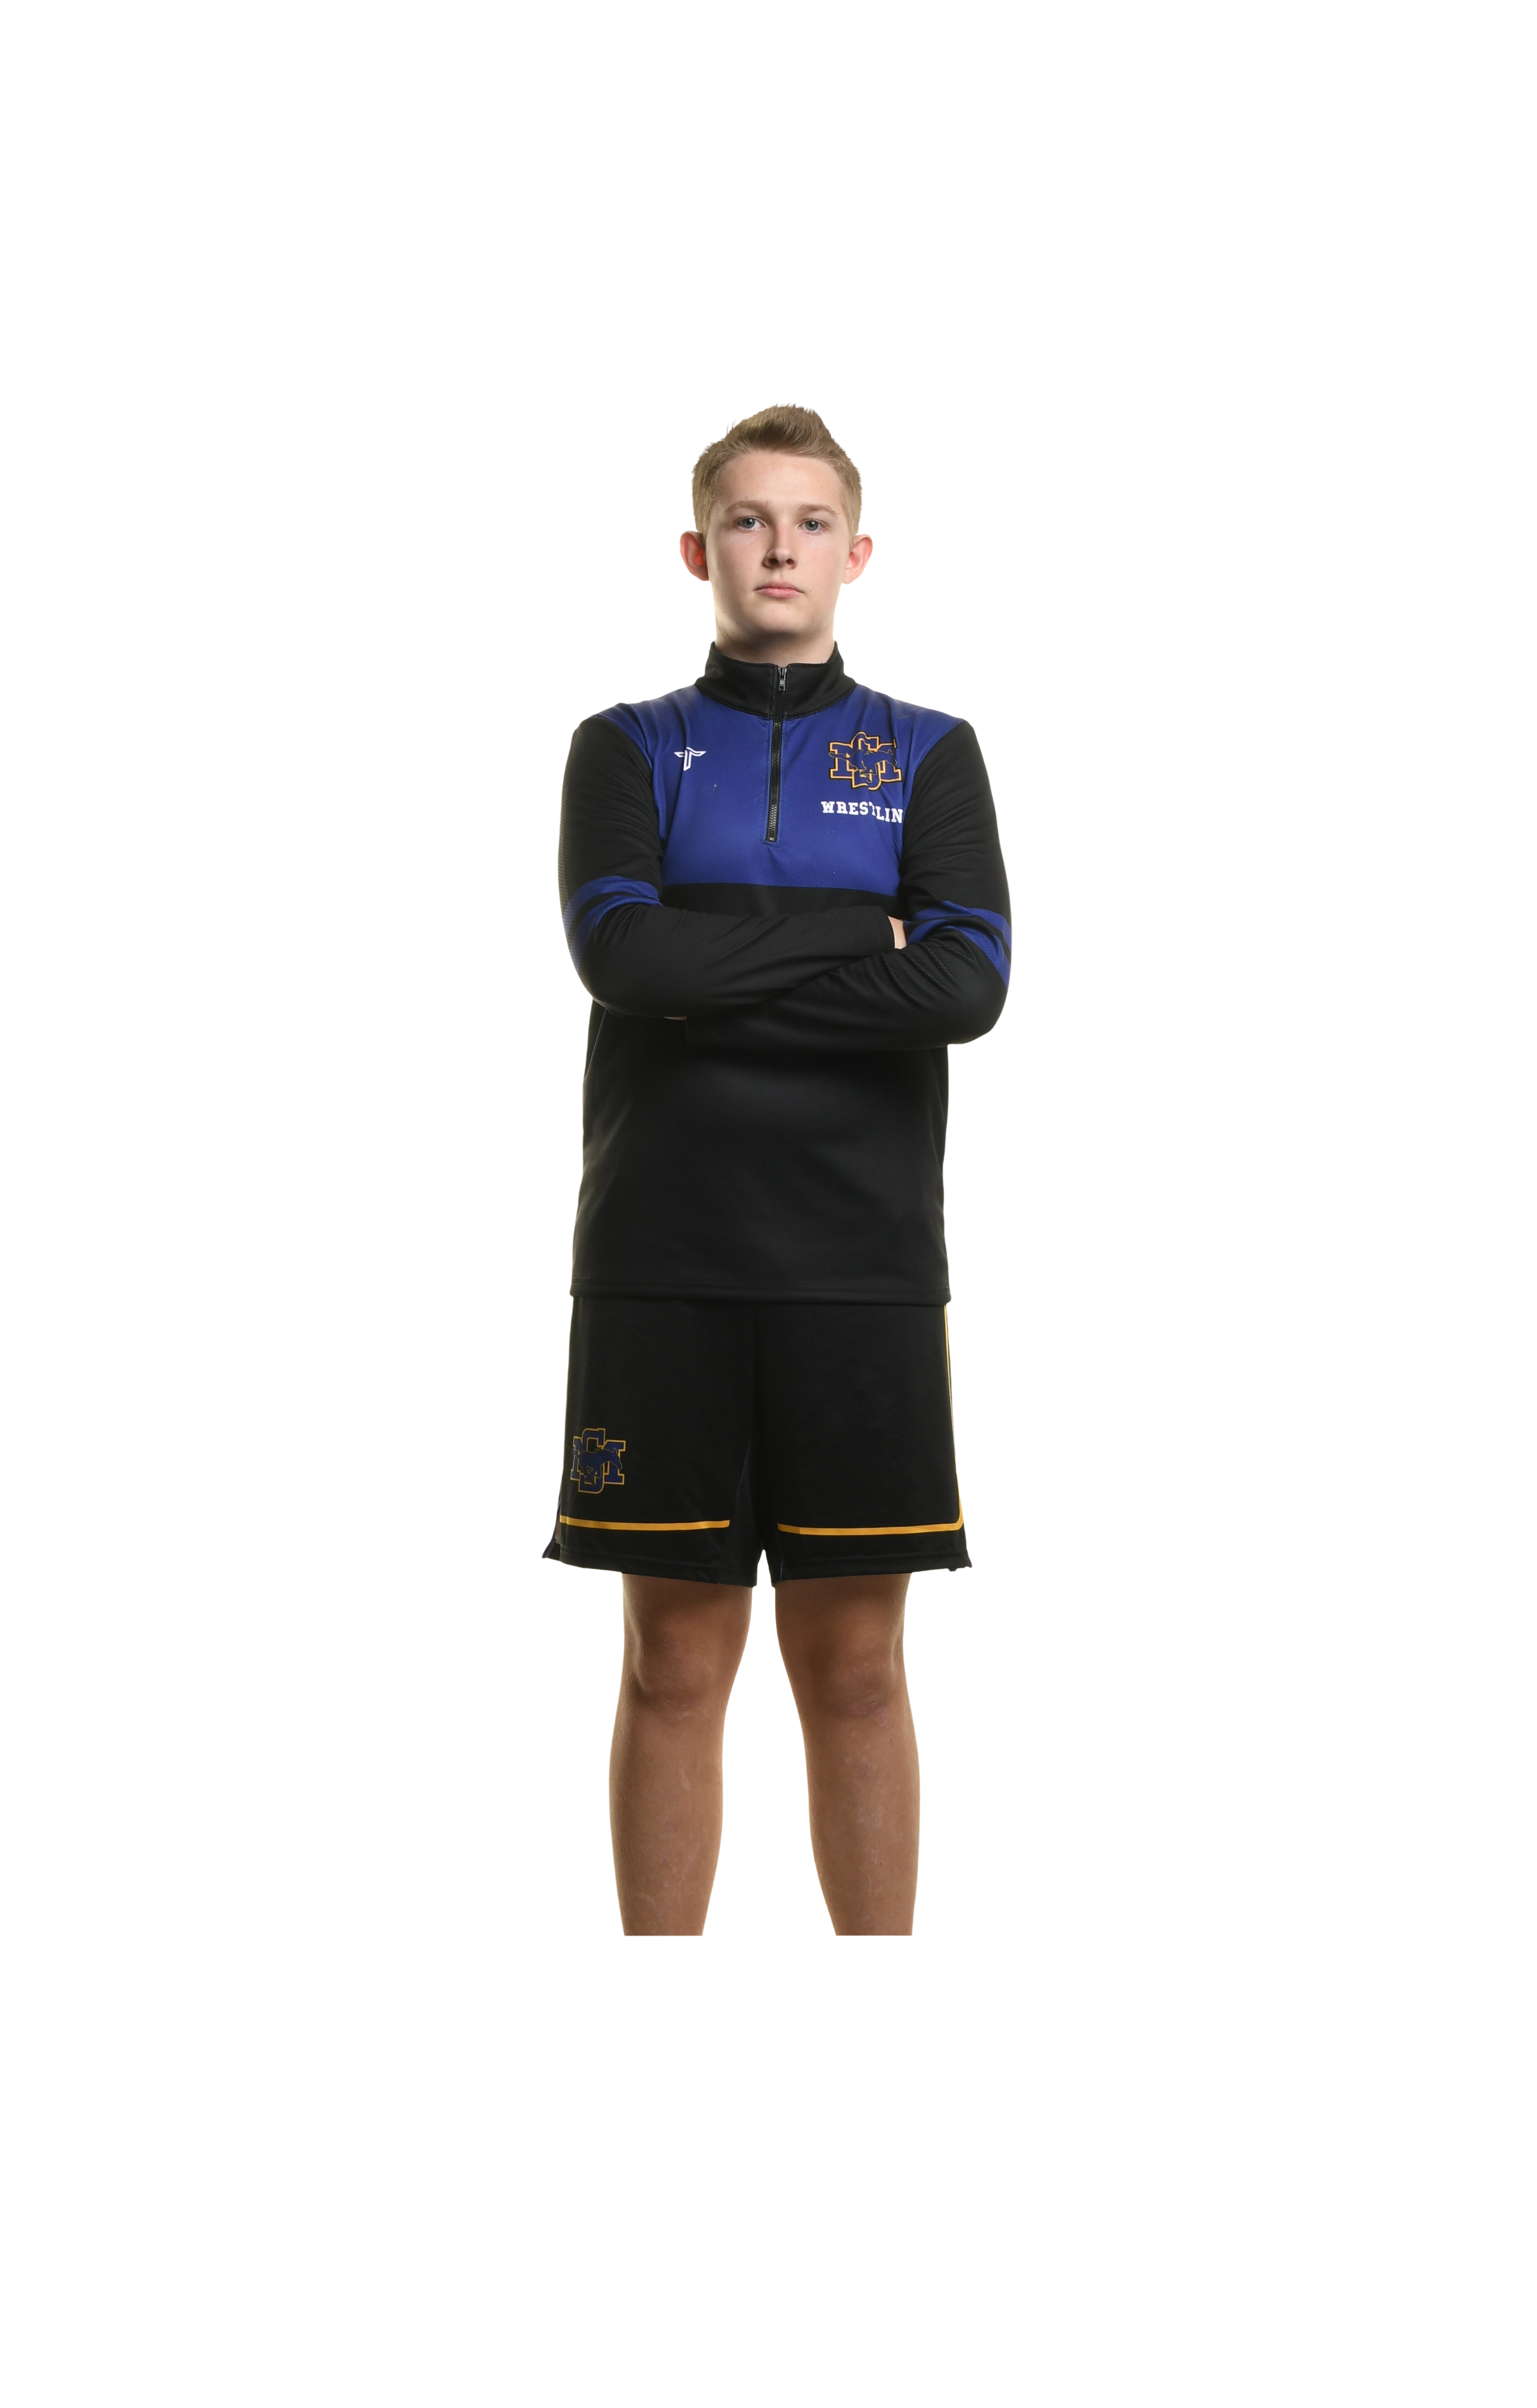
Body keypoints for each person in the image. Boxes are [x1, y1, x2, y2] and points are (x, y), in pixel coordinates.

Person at [543, 400, 1010, 1972]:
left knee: (858, 1672)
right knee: (673, 1665)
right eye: (747, 519)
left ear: (859, 553)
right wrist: (859, 936)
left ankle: (881, 2024)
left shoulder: (932, 753)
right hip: (662, 1258)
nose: (780, 548)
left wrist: (717, 964)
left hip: (860, 1266)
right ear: (699, 550)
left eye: (811, 522)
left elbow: (968, 986)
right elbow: (623, 957)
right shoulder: (623, 746)